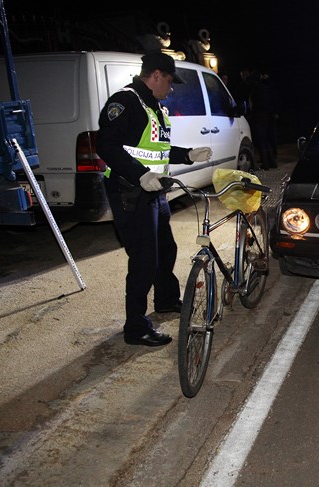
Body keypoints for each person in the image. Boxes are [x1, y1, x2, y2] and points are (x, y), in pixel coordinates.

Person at [97, 52, 212, 347]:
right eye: (170, 81)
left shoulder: (154, 107)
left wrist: (186, 154)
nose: (171, 89)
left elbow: (157, 149)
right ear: (157, 75)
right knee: (144, 260)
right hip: (130, 193)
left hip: (155, 192)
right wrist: (139, 176)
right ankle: (136, 328)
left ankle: (165, 299)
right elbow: (106, 146)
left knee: (166, 249)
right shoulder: (125, 102)